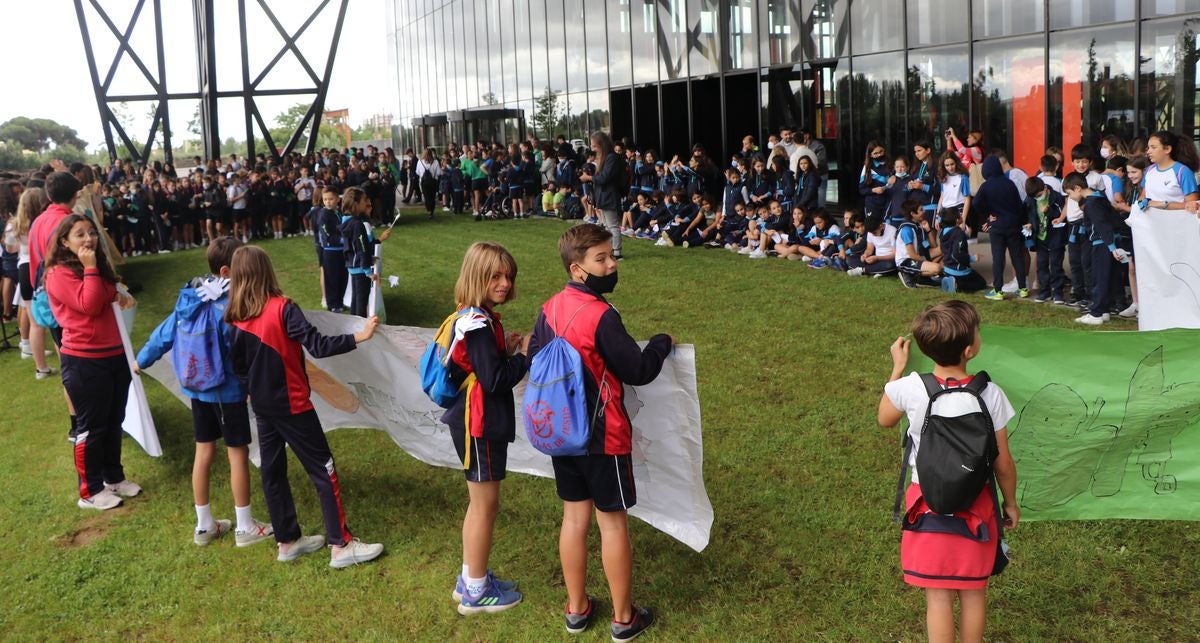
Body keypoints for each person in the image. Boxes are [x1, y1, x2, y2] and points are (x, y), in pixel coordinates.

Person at [526, 224, 673, 639]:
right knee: (612, 524)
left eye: (612, 256)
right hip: (602, 434)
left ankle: (576, 608)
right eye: (602, 259)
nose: (612, 264)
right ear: (577, 268)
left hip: (560, 430)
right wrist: (661, 342)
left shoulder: (550, 306)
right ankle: (625, 619)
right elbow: (639, 370)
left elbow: (537, 356)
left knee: (574, 518)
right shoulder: (602, 315)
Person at [224, 245, 384, 568]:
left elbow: (237, 367)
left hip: (264, 410)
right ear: (267, 271)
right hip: (293, 406)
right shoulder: (283, 309)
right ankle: (341, 545)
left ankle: (287, 541)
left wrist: (252, 393)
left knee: (273, 473)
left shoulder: (233, 317)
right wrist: (360, 335)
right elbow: (319, 345)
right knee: (323, 469)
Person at [878, 300, 1018, 643]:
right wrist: (1010, 503)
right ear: (970, 350)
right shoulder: (990, 393)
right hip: (977, 505)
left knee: (938, 596)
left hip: (926, 504)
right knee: (974, 593)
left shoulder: (911, 387)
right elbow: (1002, 461)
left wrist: (897, 368)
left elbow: (884, 419)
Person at [135, 237, 273, 546]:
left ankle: (204, 525)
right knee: (237, 454)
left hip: (197, 389)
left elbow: (164, 333)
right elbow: (243, 352)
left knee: (204, 451)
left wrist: (140, 360)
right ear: (227, 271)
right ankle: (245, 526)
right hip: (228, 391)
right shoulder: (232, 305)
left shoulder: (192, 298)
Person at [442, 242, 528, 615]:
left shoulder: (479, 316)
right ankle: (476, 590)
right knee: (484, 506)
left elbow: (484, 366)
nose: (505, 283)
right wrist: (525, 356)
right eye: (495, 276)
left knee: (481, 505)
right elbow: (493, 381)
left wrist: (505, 350)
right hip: (477, 421)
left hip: (477, 418)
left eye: (508, 276)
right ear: (477, 275)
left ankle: (469, 579)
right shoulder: (476, 322)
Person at [44, 214, 140, 510]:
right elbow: (90, 303)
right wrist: (90, 269)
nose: (88, 239)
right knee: (92, 427)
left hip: (114, 355)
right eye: (79, 235)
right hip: (85, 361)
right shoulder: (59, 274)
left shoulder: (94, 267)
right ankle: (89, 490)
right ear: (64, 242)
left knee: (114, 421)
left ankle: (114, 477)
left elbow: (111, 292)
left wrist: (102, 279)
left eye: (91, 233)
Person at [1064, 173, 1127, 325]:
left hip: (1103, 245)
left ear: (1077, 188)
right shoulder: (1100, 198)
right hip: (1110, 242)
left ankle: (1097, 313)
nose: (1070, 198)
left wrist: (1111, 248)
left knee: (1099, 278)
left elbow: (1102, 226)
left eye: (1069, 193)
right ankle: (1104, 310)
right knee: (1109, 277)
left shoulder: (1091, 204)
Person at [972, 155, 1028, 301]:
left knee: (998, 258)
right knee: (1017, 257)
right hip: (1013, 225)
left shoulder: (986, 186)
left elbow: (976, 204)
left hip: (997, 226)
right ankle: (1022, 288)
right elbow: (1019, 205)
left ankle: (998, 290)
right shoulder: (1009, 183)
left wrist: (988, 215)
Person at [340, 187, 392, 318]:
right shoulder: (358, 224)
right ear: (356, 203)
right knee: (361, 301)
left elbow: (354, 247)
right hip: (360, 269)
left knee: (356, 299)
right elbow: (361, 248)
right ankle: (361, 330)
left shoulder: (346, 221)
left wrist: (370, 257)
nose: (366, 203)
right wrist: (368, 271)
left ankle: (353, 325)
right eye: (364, 200)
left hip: (352, 266)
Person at [579, 131, 627, 261]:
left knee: (612, 225)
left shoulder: (612, 158)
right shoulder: (605, 157)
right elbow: (601, 177)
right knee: (606, 225)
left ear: (601, 144)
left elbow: (604, 178)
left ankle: (617, 252)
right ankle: (611, 250)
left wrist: (588, 177)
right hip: (603, 196)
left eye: (594, 146)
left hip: (609, 196)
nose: (593, 149)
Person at [1024, 176, 1068, 304]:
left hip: (1055, 237)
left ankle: (1058, 292)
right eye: (1035, 197)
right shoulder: (1030, 199)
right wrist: (1029, 224)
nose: (1038, 198)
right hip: (1040, 237)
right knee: (1042, 265)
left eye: (1039, 195)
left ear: (1044, 188)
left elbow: (1062, 215)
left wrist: (1049, 211)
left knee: (1056, 265)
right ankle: (1044, 291)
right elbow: (1028, 214)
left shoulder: (1056, 197)